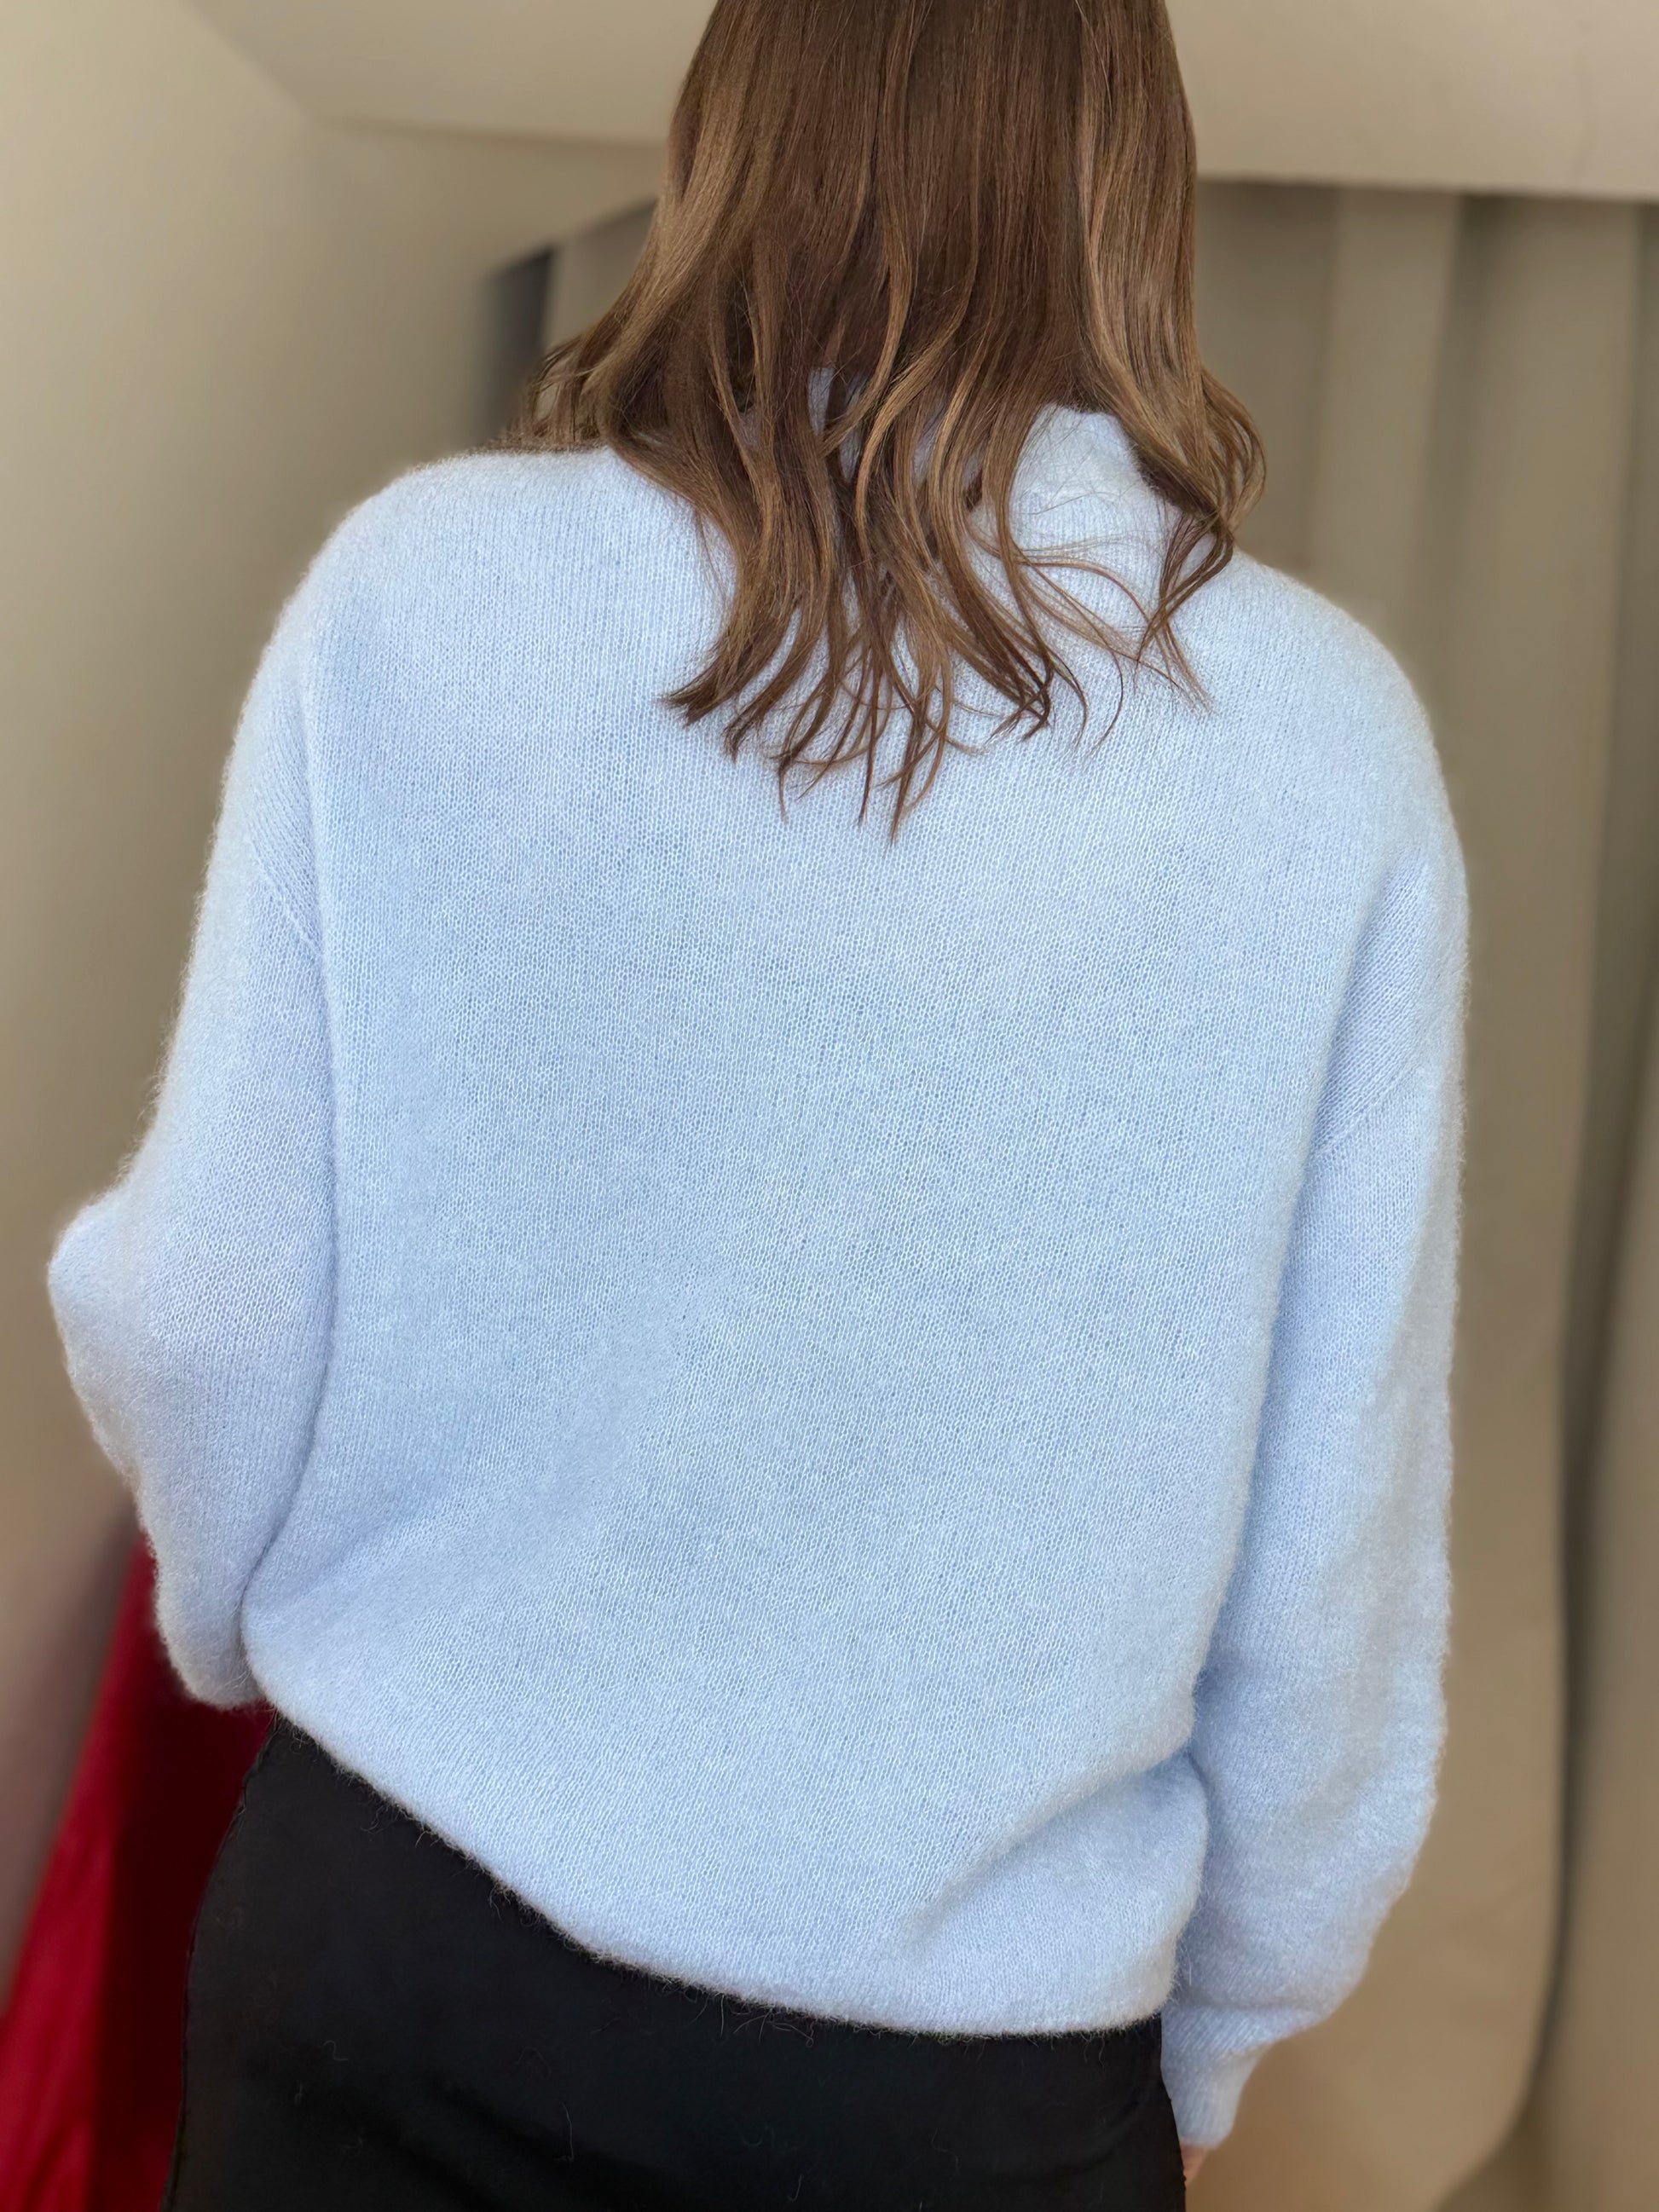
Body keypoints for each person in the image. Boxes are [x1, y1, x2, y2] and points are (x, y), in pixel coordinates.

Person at [46, 0, 1470, 2205]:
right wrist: (1191, 2045)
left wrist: (279, 1662)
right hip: (969, 2080)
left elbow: (208, 1319)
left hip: (396, 1944)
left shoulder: (423, 593)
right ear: (1132, 197)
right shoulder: (1325, 758)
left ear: (726, 148)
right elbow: (1332, 1581)